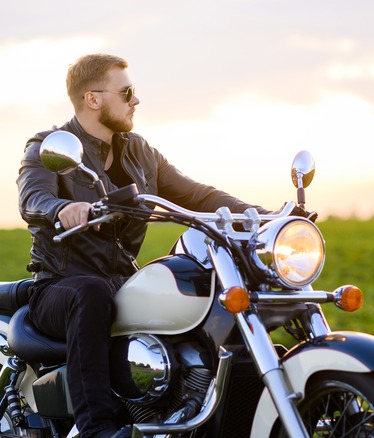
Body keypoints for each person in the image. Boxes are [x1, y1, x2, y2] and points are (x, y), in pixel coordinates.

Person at [16, 54, 271, 438]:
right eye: (128, 92)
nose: (136, 101)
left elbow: (198, 194)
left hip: (122, 284)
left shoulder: (140, 152)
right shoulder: (49, 147)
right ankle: (96, 429)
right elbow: (32, 198)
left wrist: (262, 216)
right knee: (91, 291)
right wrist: (63, 207)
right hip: (60, 285)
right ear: (93, 99)